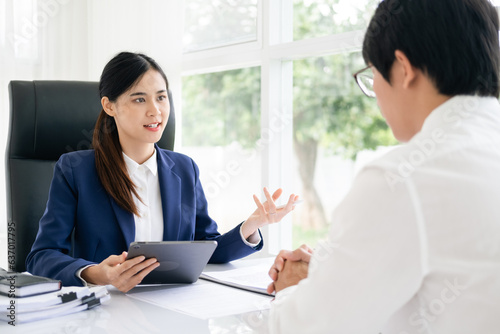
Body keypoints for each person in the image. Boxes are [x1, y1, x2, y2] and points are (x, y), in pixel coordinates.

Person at [267, 0, 500, 333]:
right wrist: (329, 268)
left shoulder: (403, 179)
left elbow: (308, 327)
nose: (374, 90)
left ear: (403, 68)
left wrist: (290, 287)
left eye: (372, 73)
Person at [26, 52, 298, 293]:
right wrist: (99, 274)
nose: (155, 111)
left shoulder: (184, 168)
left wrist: (251, 225)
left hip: (172, 305)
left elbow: (206, 247)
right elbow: (41, 256)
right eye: (139, 99)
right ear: (110, 106)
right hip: (106, 308)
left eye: (161, 97)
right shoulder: (76, 170)